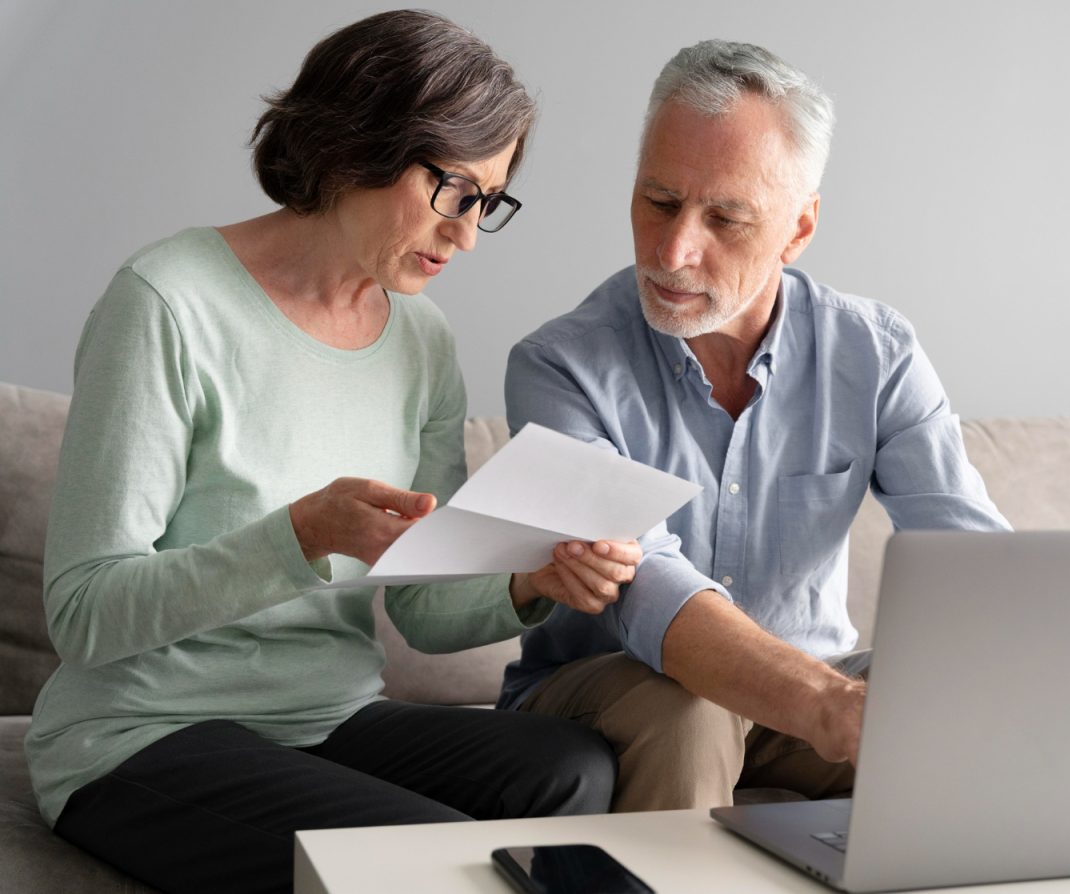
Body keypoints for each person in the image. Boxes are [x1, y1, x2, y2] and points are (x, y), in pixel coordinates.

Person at [25, 11, 640, 893]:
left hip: (327, 718)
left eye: (488, 202)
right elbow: (84, 614)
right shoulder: (166, 303)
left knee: (572, 766)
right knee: (429, 855)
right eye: (453, 191)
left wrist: (530, 581)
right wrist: (301, 534)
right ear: (358, 143)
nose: (466, 233)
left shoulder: (422, 341)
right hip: (143, 734)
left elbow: (425, 613)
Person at [498, 39, 1010, 811]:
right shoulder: (558, 367)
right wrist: (826, 705)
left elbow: (970, 558)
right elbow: (643, 585)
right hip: (616, 691)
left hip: (809, 688)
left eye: (726, 218)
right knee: (689, 709)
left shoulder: (875, 352)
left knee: (978, 700)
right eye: (659, 201)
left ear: (798, 230)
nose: (673, 250)